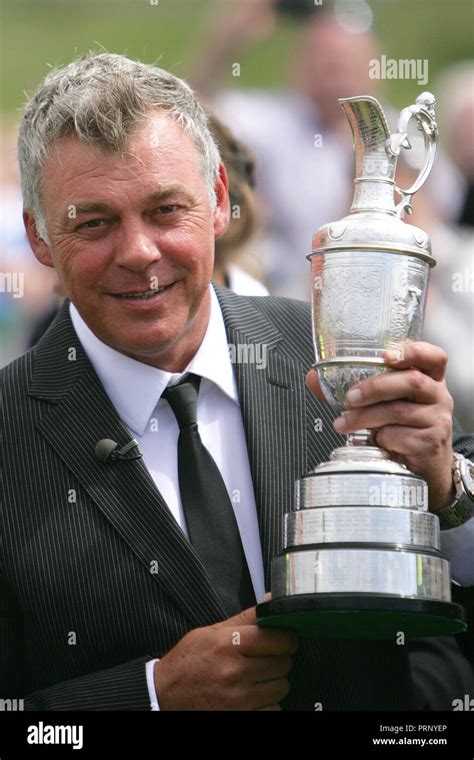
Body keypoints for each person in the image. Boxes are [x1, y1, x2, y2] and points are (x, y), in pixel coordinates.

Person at [2, 52, 473, 711]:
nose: (139, 251)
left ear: (220, 201)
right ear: (40, 238)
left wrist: (448, 494)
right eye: (95, 222)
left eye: (167, 210)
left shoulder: (344, 348)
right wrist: (151, 697)